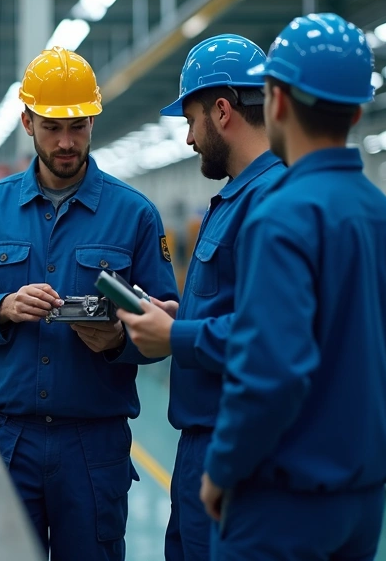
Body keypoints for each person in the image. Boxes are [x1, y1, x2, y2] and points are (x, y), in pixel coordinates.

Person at [0, 46, 179, 561]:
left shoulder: (135, 215)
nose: (66, 142)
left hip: (93, 446)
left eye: (79, 127)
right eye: (51, 128)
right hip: (8, 439)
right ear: (26, 121)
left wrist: (117, 341)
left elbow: (168, 326)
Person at [198, 14, 386, 560]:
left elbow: (270, 372)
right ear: (358, 110)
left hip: (281, 507)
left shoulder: (284, 216)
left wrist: (222, 468)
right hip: (362, 506)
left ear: (275, 101)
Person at [113, 34, 285, 561]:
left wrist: (176, 334)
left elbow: (270, 336)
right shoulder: (232, 198)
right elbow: (232, 305)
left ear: (223, 110)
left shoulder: (271, 202)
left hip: (237, 446)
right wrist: (178, 314)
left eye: (191, 121)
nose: (188, 139)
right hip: (200, 443)